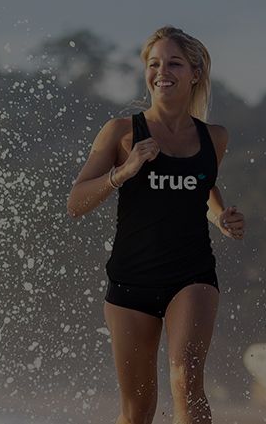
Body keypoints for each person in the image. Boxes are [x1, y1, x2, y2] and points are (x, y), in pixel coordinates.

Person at [66, 26, 246, 424]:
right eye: (154, 63)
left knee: (186, 379)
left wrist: (221, 218)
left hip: (192, 275)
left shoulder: (214, 137)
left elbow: (203, 187)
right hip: (131, 280)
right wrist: (124, 171)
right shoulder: (121, 133)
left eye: (174, 63)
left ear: (195, 73)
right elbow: (75, 203)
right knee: (137, 411)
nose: (162, 71)